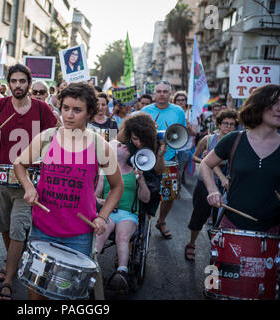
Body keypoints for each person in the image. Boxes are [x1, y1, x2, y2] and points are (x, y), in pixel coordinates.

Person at [13, 82, 123, 300]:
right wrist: (28, 187)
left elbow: (117, 186)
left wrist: (102, 217)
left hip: (79, 235)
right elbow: (19, 164)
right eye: (65, 108)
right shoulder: (47, 137)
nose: (69, 115)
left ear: (90, 112)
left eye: (77, 110)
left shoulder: (102, 146)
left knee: (66, 295)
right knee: (36, 293)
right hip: (42, 229)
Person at [0, 63, 58, 300]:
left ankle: (8, 280)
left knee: (19, 226)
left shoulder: (41, 108)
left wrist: (46, 146)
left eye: (22, 81)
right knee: (4, 226)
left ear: (29, 83)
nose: (18, 85)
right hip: (1, 177)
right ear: (8, 83)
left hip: (28, 180)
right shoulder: (0, 105)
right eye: (14, 81)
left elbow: (58, 130)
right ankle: (13, 261)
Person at [201, 84, 280, 235]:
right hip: (232, 225)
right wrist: (212, 191)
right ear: (258, 105)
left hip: (272, 231)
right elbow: (205, 164)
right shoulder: (234, 139)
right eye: (275, 103)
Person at [95, 136, 151, 293]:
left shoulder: (136, 172)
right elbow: (94, 197)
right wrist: (102, 202)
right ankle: (90, 266)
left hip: (128, 214)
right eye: (120, 145)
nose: (124, 146)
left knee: (122, 236)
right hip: (109, 212)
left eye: (126, 145)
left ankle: (122, 272)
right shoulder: (105, 172)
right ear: (113, 151)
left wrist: (141, 181)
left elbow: (145, 198)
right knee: (101, 233)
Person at [135, 80, 187, 239]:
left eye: (165, 91)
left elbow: (181, 134)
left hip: (170, 157)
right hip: (147, 158)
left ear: (170, 94)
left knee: (170, 195)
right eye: (159, 91)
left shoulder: (178, 111)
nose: (162, 94)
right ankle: (145, 220)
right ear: (154, 94)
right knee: (146, 192)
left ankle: (162, 220)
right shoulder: (145, 110)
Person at [185, 109, 238, 261]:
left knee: (220, 221)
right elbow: (194, 156)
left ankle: (217, 250)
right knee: (199, 215)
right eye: (225, 124)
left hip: (226, 187)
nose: (228, 127)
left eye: (232, 124)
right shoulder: (208, 140)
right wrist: (206, 161)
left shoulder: (237, 143)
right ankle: (192, 243)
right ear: (219, 125)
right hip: (205, 185)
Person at [173, 91, 197, 185]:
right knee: (173, 170)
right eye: (178, 100)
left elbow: (195, 133)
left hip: (185, 148)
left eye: (183, 100)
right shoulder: (172, 113)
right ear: (174, 102)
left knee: (180, 169)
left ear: (186, 101)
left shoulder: (191, 115)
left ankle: (178, 186)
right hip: (172, 148)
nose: (180, 102)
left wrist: (189, 127)